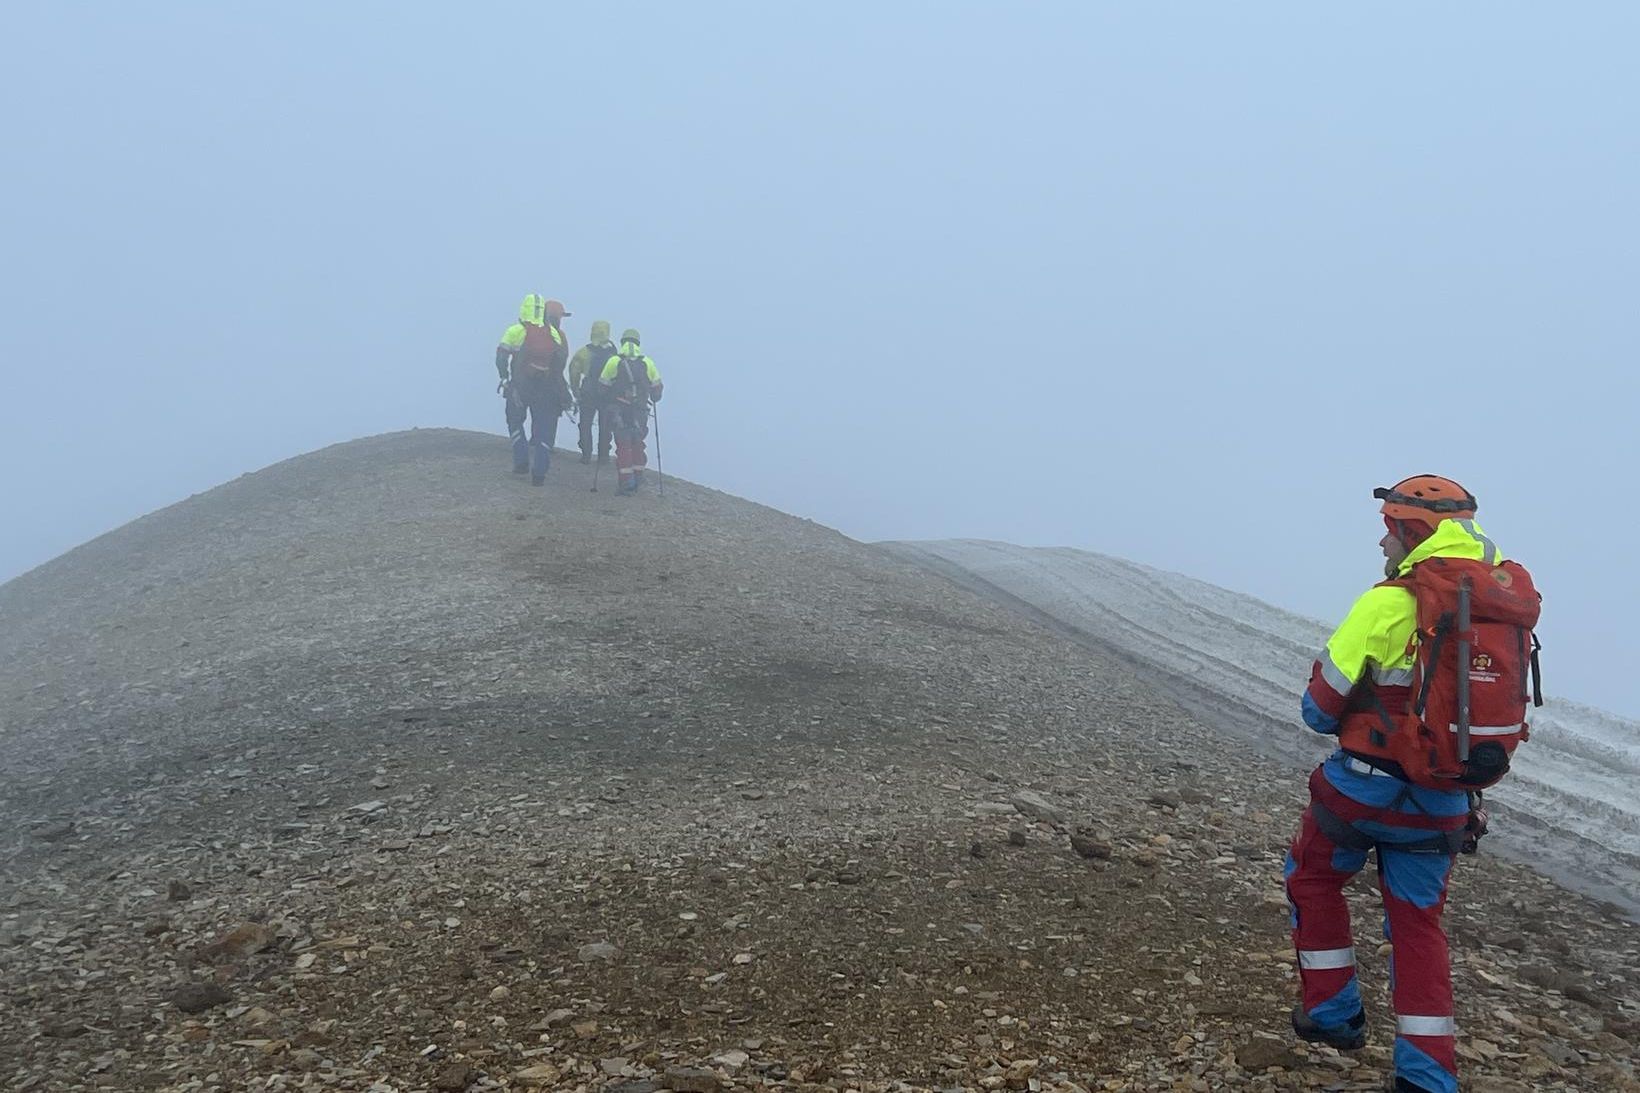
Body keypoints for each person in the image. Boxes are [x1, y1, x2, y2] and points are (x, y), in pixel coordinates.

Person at [1284, 475, 1539, 1093]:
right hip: (1447, 797)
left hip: (1361, 793)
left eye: (1390, 529)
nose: (1382, 541)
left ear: (1412, 532)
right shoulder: (1495, 607)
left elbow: (1319, 710)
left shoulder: (1386, 603)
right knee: (1418, 925)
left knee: (1313, 876)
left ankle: (1332, 1014)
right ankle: (1428, 1078)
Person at [495, 295, 571, 485]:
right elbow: (560, 361)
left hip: (520, 386)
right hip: (545, 388)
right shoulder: (553, 333)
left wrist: (504, 378)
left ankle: (521, 461)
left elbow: (501, 357)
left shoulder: (516, 331)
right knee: (543, 427)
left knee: (514, 420)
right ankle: (539, 474)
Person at [596, 328, 663, 495]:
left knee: (624, 444)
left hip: (619, 409)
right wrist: (652, 396)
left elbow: (602, 386)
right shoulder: (647, 362)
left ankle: (626, 482)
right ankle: (638, 475)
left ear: (623, 342)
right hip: (640, 411)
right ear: (638, 343)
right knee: (638, 441)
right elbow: (657, 389)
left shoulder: (614, 361)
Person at [568, 319, 617, 464]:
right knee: (605, 425)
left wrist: (575, 389)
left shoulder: (584, 352)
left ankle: (586, 455)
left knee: (585, 423)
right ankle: (603, 455)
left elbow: (574, 371)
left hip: (588, 392)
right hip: (607, 393)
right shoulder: (614, 354)